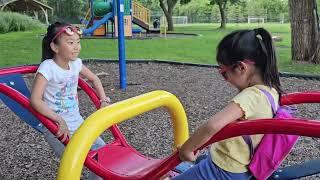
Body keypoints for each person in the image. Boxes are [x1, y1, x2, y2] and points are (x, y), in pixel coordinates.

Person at [174, 28, 282, 180]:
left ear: (241, 68)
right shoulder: (271, 91)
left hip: (223, 170)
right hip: (240, 166)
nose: (225, 79)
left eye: (224, 73)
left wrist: (186, 149)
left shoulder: (251, 96)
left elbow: (212, 126)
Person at [30, 22, 111, 179]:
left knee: (103, 155)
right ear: (55, 47)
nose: (76, 47)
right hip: (55, 127)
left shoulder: (75, 64)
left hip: (78, 122)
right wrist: (58, 119)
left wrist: (103, 100)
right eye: (70, 43)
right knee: (75, 162)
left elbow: (95, 79)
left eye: (78, 42)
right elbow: (35, 100)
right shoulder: (48, 68)